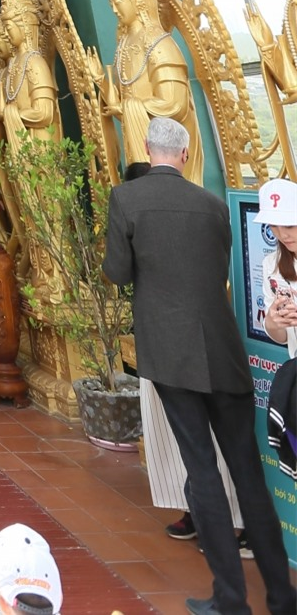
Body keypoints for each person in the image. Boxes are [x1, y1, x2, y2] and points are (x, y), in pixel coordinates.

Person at [103, 115, 296, 615]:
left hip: (172, 355)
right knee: (248, 471)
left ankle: (231, 599)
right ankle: (281, 594)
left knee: (202, 470)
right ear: (185, 155)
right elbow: (216, 269)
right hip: (224, 349)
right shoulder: (213, 206)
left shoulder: (127, 199)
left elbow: (118, 274)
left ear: (148, 149)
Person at [122, 161, 249, 555]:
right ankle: (196, 510)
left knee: (202, 444)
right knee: (183, 445)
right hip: (163, 350)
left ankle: (225, 523)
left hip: (200, 348)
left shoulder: (203, 211)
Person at [258, 177, 297, 358]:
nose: (282, 234)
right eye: (273, 225)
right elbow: (283, 338)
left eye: (289, 225)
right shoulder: (271, 265)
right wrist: (273, 322)